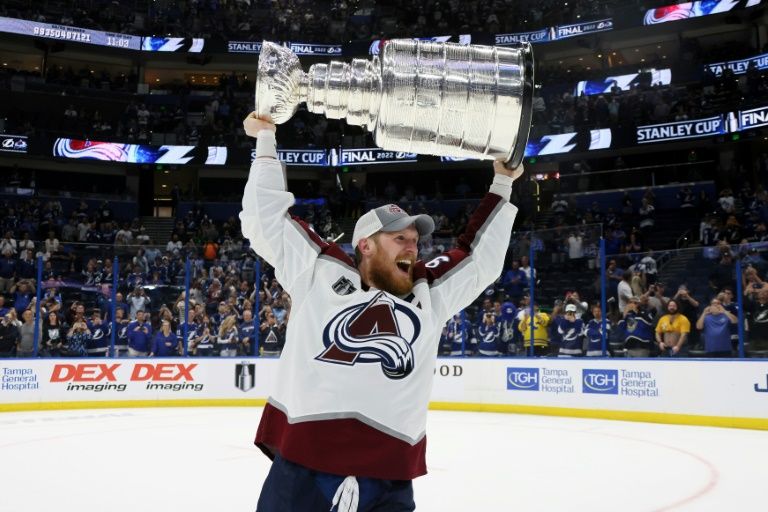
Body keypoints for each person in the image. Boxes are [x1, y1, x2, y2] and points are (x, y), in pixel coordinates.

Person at [241, 112, 522, 511]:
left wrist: (503, 181)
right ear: (366, 246)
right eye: (399, 237)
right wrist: (266, 139)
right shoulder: (319, 269)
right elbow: (265, 220)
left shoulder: (430, 290)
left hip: (389, 479)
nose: (412, 246)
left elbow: (480, 258)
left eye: (415, 238)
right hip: (303, 469)